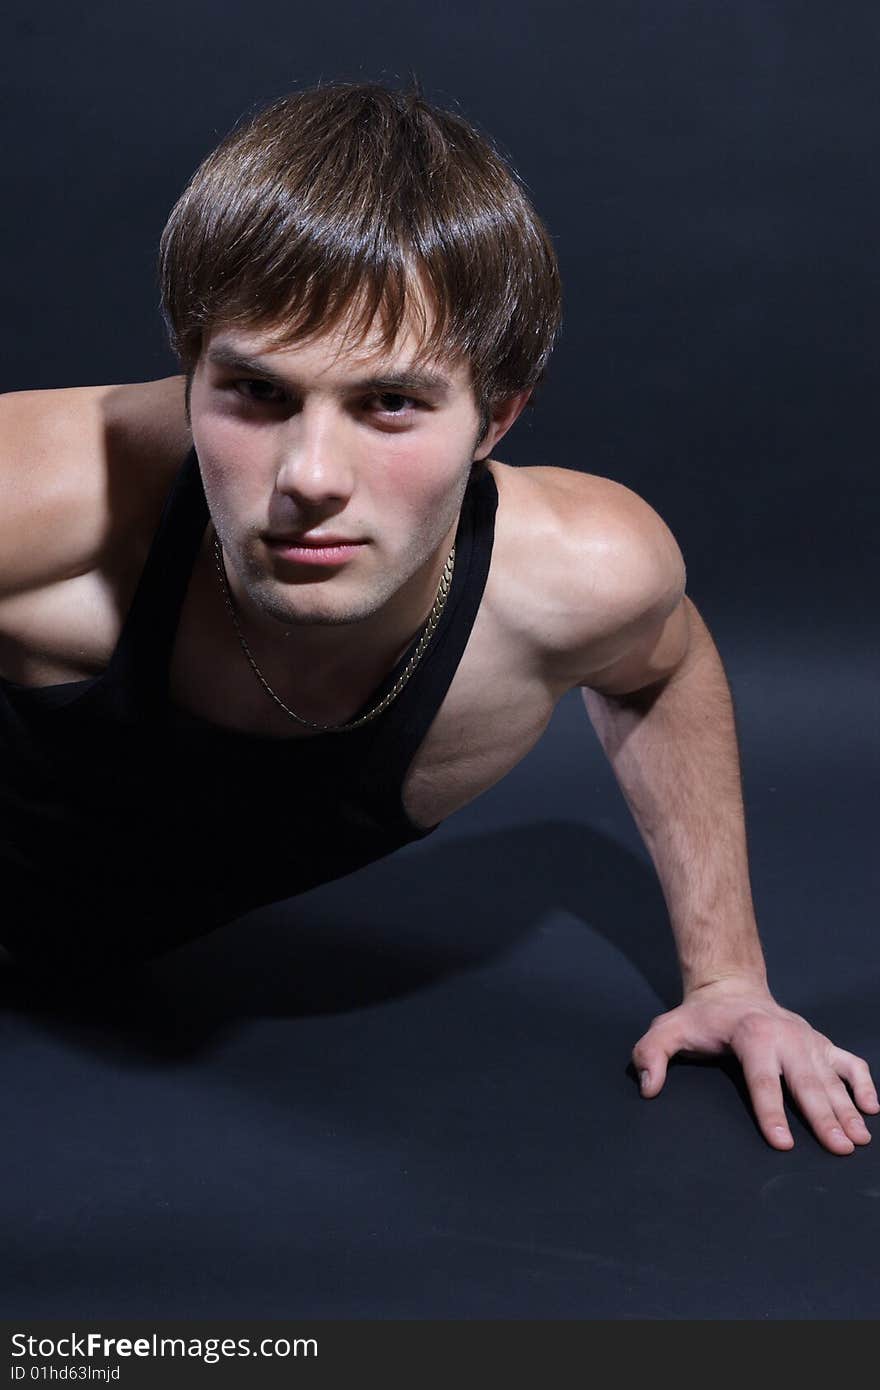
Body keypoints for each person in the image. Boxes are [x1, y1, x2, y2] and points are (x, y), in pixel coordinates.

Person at [0, 79, 875, 1158]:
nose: (309, 476)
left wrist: (731, 977)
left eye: (389, 405)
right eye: (257, 394)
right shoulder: (47, 502)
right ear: (191, 375)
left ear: (494, 420)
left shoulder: (582, 577)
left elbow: (663, 661)